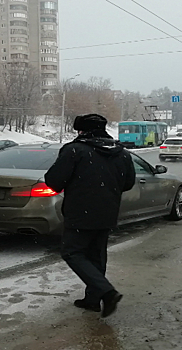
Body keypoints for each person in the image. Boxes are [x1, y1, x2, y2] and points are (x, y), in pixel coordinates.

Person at [45, 114, 136, 318]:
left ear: (82, 130)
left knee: (72, 253)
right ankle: (93, 300)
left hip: (80, 211)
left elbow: (53, 181)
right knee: (97, 255)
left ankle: (106, 291)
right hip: (109, 210)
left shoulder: (74, 150)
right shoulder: (121, 153)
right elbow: (128, 183)